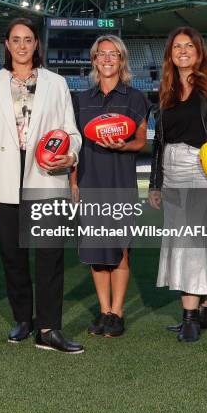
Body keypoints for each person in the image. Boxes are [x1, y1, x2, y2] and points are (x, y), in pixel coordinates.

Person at [0, 17, 84, 354]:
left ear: (37, 44)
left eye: (28, 40)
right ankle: (23, 319)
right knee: (13, 255)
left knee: (50, 255)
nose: (22, 46)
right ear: (7, 45)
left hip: (46, 177)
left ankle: (49, 329)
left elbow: (72, 132)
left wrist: (71, 158)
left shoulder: (57, 83)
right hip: (5, 176)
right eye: (15, 40)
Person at [148, 27, 207, 342]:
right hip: (172, 171)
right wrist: (155, 182)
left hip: (202, 170)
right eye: (177, 46)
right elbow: (159, 143)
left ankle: (189, 316)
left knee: (190, 238)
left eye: (189, 45)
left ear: (199, 50)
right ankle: (202, 309)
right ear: (170, 54)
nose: (183, 50)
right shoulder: (164, 91)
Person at [71, 35, 149, 338]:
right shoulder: (80, 100)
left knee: (119, 252)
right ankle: (103, 312)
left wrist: (124, 144)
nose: (106, 59)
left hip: (119, 183)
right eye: (101, 54)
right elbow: (74, 146)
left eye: (113, 54)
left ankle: (118, 313)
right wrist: (73, 182)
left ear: (122, 60)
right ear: (93, 60)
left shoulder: (136, 98)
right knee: (95, 253)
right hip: (90, 182)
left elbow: (141, 141)